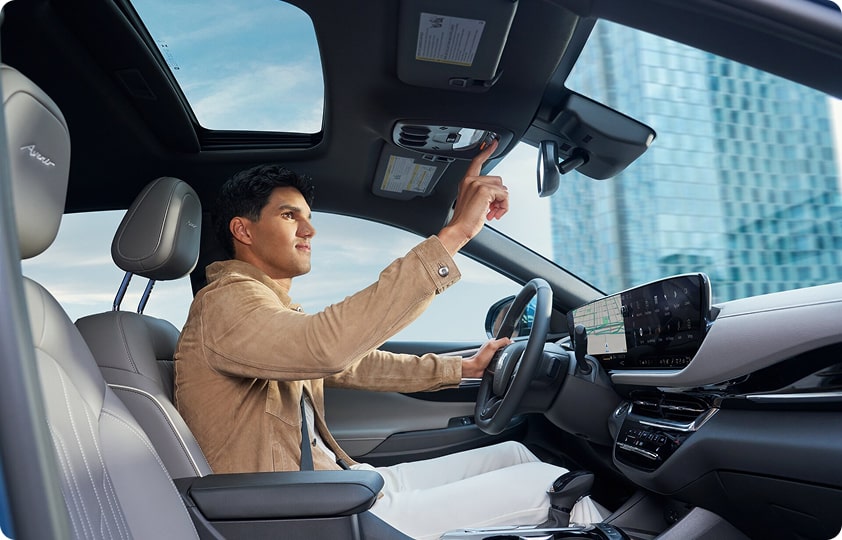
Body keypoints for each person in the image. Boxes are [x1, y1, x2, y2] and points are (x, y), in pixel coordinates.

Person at [174, 141, 601, 539]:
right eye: (289, 216)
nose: (310, 230)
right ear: (243, 231)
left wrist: (463, 368)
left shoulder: (263, 309)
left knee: (515, 456)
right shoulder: (225, 302)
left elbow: (352, 362)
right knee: (554, 488)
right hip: (305, 512)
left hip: (335, 484)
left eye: (308, 216)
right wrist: (455, 234)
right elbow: (326, 348)